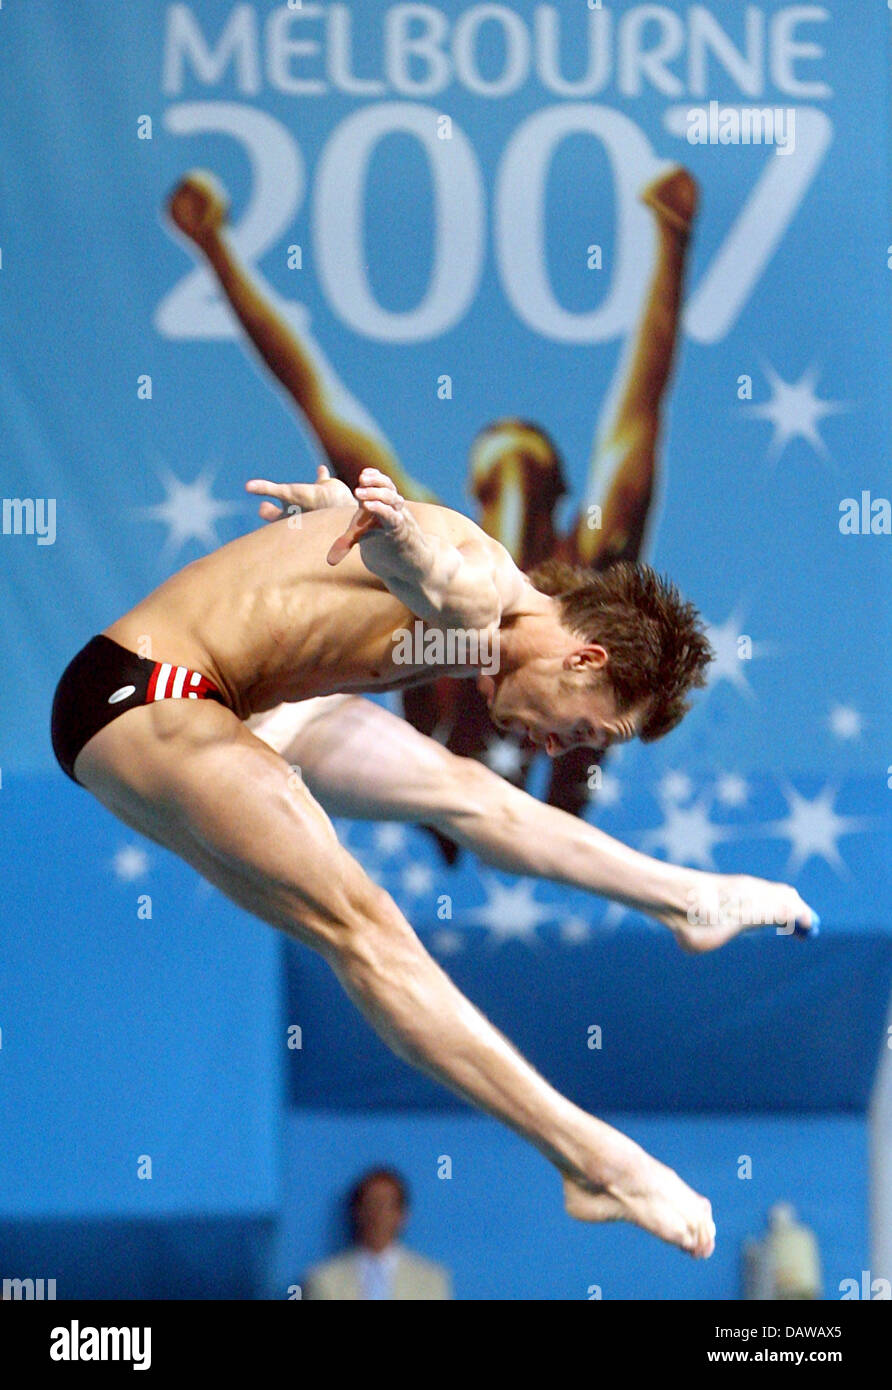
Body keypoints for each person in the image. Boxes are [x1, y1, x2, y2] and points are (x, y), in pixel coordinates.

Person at [51, 467, 817, 1259]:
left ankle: (686, 900)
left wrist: (358, 519)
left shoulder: (491, 609)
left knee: (470, 795)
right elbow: (444, 582)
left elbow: (413, 578)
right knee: (367, 930)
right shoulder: (483, 595)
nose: (561, 749)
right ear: (586, 659)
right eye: (590, 732)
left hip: (234, 700)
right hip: (150, 694)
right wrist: (401, 537)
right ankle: (597, 1162)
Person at [166, 163, 697, 833]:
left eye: (526, 475)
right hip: (436, 761)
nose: (511, 489)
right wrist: (213, 246)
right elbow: (313, 393)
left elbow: (639, 410)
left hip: (514, 796)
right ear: (477, 491)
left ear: (559, 489)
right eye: (497, 478)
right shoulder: (443, 540)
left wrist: (672, 239)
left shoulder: (587, 558)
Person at [304, 1168, 451, 1301]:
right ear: (357, 1211)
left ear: (402, 1214)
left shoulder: (431, 1280)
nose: (378, 1214)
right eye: (371, 1203)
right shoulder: (323, 1280)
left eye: (386, 1205)